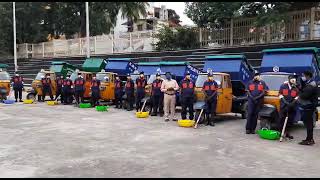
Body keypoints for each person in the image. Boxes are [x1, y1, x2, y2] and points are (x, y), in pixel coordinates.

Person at [298, 71, 317, 145]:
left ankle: (310, 140)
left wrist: (298, 92)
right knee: (308, 123)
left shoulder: (311, 85)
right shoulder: (309, 83)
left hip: (309, 106)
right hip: (309, 105)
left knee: (308, 123)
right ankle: (309, 138)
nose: (303, 77)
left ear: (308, 76)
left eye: (304, 75)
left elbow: (304, 95)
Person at [278, 74, 299, 139]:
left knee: (290, 120)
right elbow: (280, 94)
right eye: (292, 78)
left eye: (295, 78)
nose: (294, 79)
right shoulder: (283, 86)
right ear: (289, 79)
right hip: (284, 106)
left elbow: (297, 97)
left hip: (292, 107)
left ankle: (287, 133)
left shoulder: (296, 88)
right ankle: (281, 133)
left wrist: (292, 103)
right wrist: (285, 102)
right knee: (282, 119)